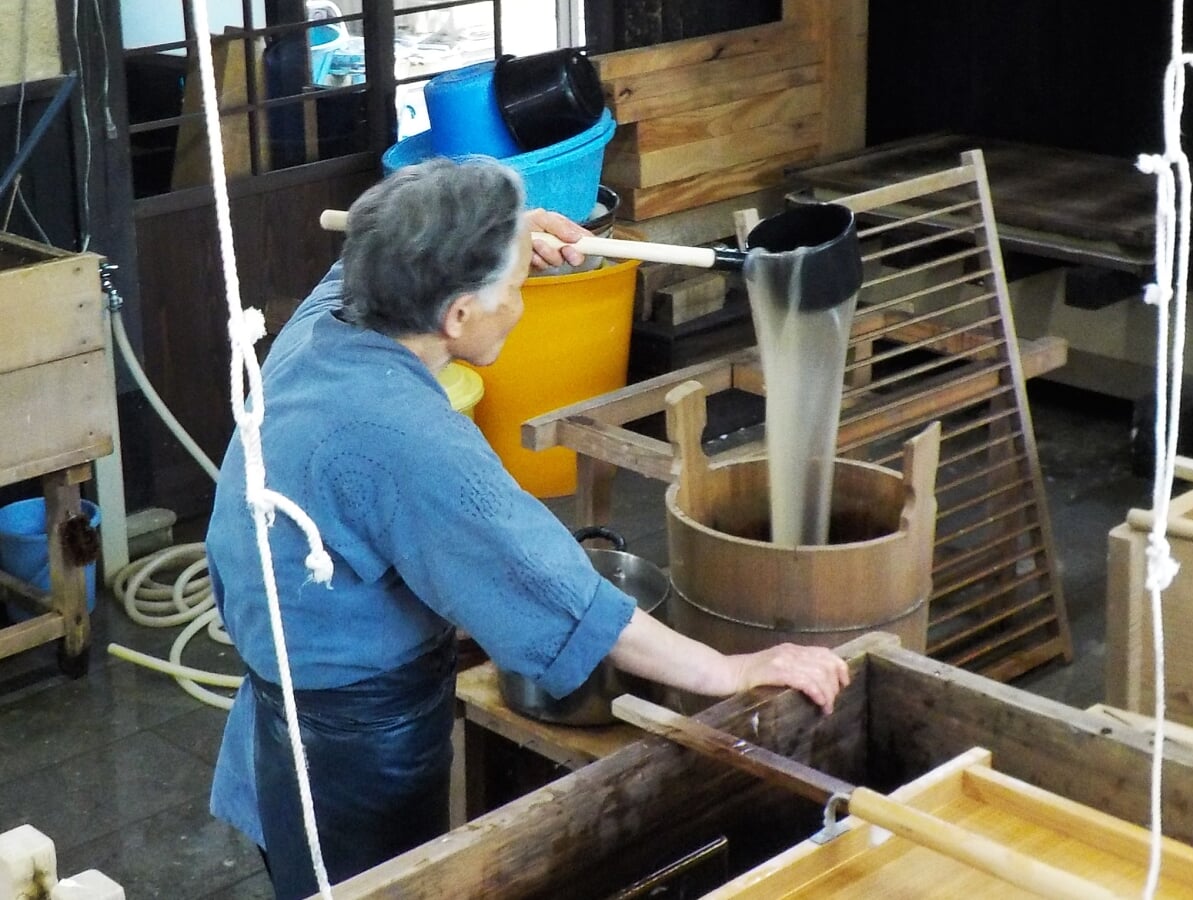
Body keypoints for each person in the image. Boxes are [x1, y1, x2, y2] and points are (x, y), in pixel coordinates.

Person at [206, 157, 850, 899]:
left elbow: (383, 232)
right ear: (457, 317)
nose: (522, 295)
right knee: (368, 887)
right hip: (354, 728)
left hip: (288, 671)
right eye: (513, 287)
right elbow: (554, 588)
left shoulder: (340, 310)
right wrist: (729, 671)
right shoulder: (405, 436)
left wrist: (514, 229)